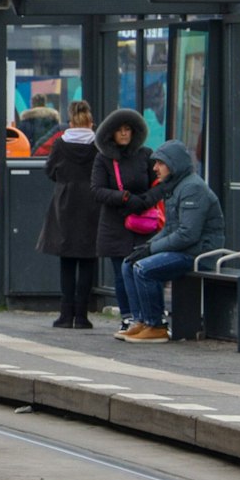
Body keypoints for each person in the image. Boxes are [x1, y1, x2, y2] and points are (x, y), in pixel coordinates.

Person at [119, 140, 225, 344]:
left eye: (160, 163)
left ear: (174, 164)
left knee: (143, 269)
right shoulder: (175, 187)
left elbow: (188, 234)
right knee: (129, 262)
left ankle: (156, 325)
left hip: (199, 253)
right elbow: (170, 229)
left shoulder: (192, 188)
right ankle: (140, 321)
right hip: (187, 250)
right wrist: (146, 247)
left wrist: (151, 248)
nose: (155, 168)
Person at [90, 108, 156, 335]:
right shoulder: (104, 158)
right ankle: (128, 316)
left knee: (144, 270)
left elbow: (157, 184)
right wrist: (124, 197)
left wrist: (145, 200)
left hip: (143, 222)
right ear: (111, 134)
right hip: (115, 224)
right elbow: (97, 190)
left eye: (128, 129)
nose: (124, 134)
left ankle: (147, 317)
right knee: (121, 272)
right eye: (120, 130)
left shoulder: (145, 154)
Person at [38, 99, 101, 329]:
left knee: (67, 260)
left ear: (70, 120)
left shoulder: (61, 144)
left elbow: (49, 170)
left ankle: (65, 315)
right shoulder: (98, 145)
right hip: (91, 205)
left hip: (65, 203)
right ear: (89, 121)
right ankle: (82, 316)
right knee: (86, 261)